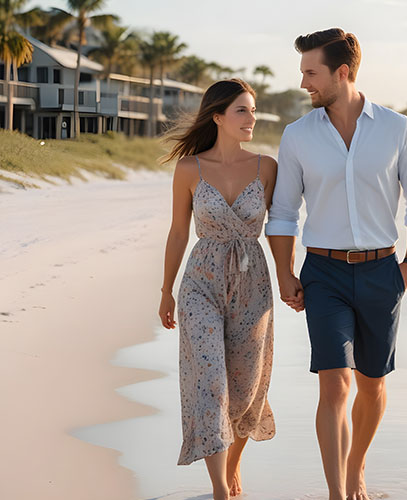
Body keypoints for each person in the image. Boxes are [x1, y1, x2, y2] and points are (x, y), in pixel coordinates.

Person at [266, 29, 407, 500]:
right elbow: (283, 212)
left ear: (343, 72)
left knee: (372, 384)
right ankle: (337, 493)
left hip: (384, 272)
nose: (304, 83)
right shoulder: (298, 135)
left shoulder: (397, 128)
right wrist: (286, 272)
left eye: (311, 72)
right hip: (324, 274)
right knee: (335, 383)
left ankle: (356, 465)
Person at [158, 79, 277, 500]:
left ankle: (234, 464)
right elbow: (177, 232)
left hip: (253, 283)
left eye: (253, 110)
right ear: (218, 117)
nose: (252, 118)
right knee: (210, 379)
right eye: (242, 110)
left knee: (245, 387)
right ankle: (219, 490)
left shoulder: (267, 167)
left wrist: (290, 275)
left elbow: (283, 228)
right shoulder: (190, 168)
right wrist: (165, 291)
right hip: (201, 283)